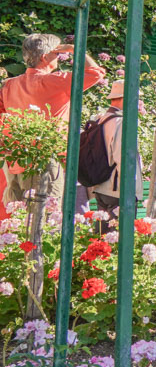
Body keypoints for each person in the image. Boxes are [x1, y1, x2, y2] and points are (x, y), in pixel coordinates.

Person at [0, 34, 104, 217]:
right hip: (45, 162)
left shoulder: (9, 85)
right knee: (46, 221)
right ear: (44, 57)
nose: (59, 56)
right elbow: (97, 73)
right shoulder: (56, 82)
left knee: (18, 225)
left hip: (15, 163)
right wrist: (74, 49)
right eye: (56, 53)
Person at [91, 80, 144, 234]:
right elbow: (124, 158)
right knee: (119, 240)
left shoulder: (101, 119)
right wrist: (131, 191)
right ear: (125, 97)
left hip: (102, 187)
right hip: (119, 190)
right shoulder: (121, 122)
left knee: (101, 239)